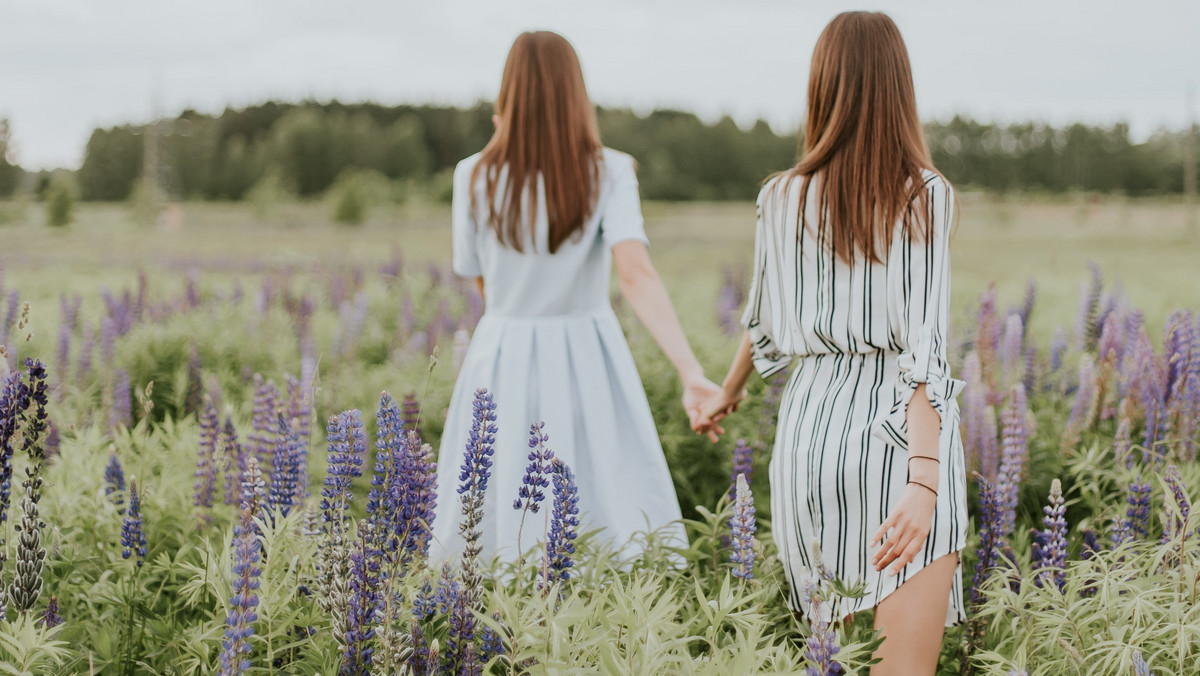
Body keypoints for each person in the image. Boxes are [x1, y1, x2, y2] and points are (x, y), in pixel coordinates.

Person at [696, 12, 968, 675]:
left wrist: (722, 395)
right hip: (895, 443)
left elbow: (761, 322)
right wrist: (925, 481)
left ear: (822, 88)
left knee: (836, 664)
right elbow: (922, 351)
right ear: (900, 89)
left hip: (808, 448)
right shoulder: (922, 195)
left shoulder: (780, 197)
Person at [432, 31, 721, 565]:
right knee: (606, 495)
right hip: (587, 348)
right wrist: (689, 370)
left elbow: (479, 280)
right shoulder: (608, 168)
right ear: (575, 94)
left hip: (501, 347)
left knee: (490, 507)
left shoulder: (472, 173)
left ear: (507, 94)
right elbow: (636, 275)